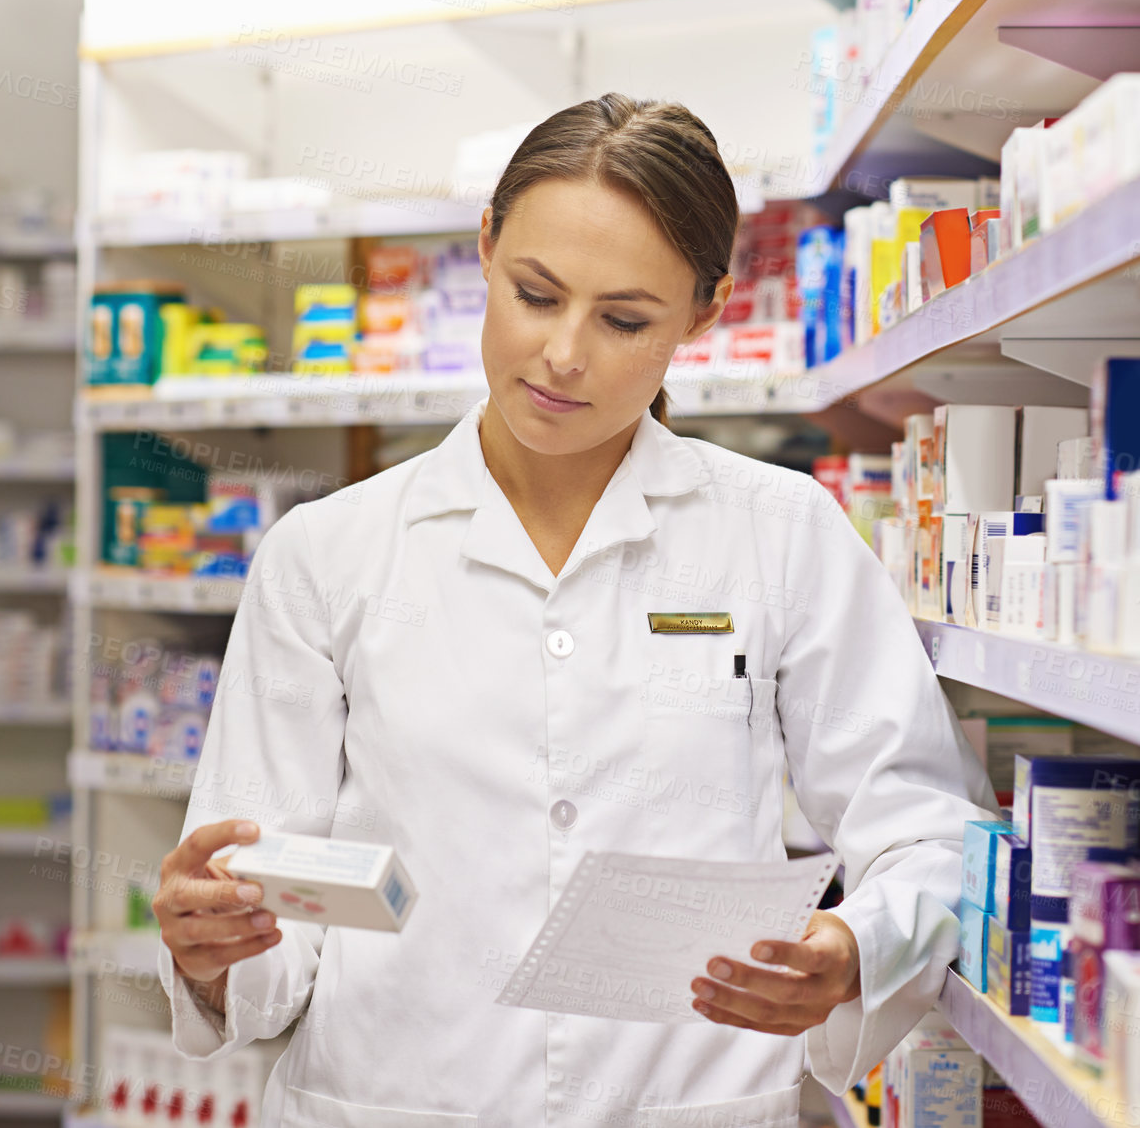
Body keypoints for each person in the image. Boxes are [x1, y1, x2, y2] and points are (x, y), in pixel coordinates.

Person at [156, 93, 1000, 1128]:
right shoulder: (326, 554)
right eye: (534, 293)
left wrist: (852, 947)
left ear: (706, 311)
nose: (562, 354)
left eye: (624, 319)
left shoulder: (779, 533)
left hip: (691, 1101)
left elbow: (927, 832)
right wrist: (211, 953)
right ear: (484, 250)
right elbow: (263, 900)